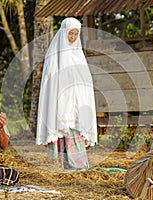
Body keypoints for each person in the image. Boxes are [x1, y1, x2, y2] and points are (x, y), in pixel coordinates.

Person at [36, 17, 98, 169]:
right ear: (64, 33)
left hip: (76, 105)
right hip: (61, 103)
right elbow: (50, 81)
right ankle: (59, 165)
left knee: (75, 132)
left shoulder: (79, 56)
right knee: (62, 130)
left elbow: (85, 82)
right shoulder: (54, 56)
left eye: (76, 34)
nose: (73, 37)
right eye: (70, 33)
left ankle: (77, 165)